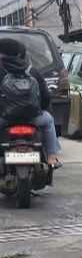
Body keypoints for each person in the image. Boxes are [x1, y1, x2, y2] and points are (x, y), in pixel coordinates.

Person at [0, 37, 62, 169]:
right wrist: (41, 110)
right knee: (49, 120)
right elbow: (45, 97)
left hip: (4, 119)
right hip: (32, 119)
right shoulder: (31, 70)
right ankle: (51, 157)